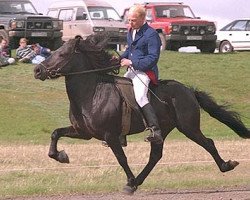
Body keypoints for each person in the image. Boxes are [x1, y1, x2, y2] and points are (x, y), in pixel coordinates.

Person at [120, 4, 163, 144]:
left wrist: (131, 62)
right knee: (119, 93)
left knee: (140, 97)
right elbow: (130, 51)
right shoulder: (131, 31)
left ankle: (155, 131)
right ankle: (121, 133)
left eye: (133, 20)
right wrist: (119, 58)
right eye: (129, 20)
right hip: (132, 71)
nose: (130, 23)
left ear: (143, 18)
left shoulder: (151, 34)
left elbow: (152, 59)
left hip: (145, 72)